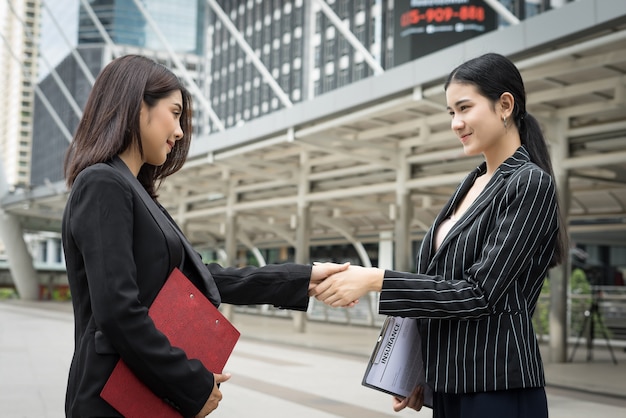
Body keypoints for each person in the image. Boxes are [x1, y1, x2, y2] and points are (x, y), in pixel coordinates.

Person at [62, 54, 347, 418]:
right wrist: (191, 385)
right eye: (175, 112)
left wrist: (301, 278)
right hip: (111, 402)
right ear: (136, 106)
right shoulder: (102, 184)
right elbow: (118, 312)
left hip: (137, 395)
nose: (180, 131)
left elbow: (199, 277)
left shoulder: (131, 190)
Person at [310, 52, 567, 418]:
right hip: (449, 385)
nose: (456, 123)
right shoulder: (471, 184)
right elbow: (439, 284)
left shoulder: (529, 182)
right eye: (450, 113)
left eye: (464, 108)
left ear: (505, 105)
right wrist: (421, 372)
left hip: (497, 385)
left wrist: (376, 279)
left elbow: (480, 294)